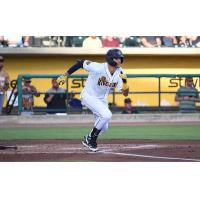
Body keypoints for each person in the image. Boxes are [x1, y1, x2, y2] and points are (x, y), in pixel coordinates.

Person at [56, 48, 129, 151]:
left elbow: (125, 94)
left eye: (120, 58)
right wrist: (65, 75)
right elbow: (81, 63)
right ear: (110, 58)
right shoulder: (98, 67)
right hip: (89, 96)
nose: (119, 60)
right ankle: (91, 139)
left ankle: (88, 137)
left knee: (104, 127)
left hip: (102, 100)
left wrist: (125, 82)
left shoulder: (120, 72)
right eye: (117, 58)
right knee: (107, 115)